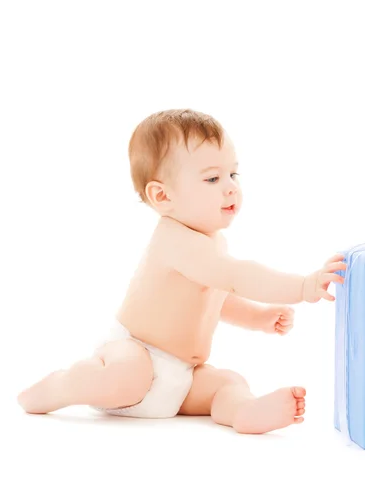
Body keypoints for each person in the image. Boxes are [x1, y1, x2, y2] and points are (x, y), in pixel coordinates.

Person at [17, 108, 346, 434]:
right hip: (134, 352)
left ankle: (243, 410)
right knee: (126, 378)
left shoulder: (212, 245)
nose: (230, 187)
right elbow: (238, 276)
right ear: (162, 196)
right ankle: (60, 386)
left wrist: (257, 318)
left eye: (233, 175)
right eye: (212, 178)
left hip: (182, 375)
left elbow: (216, 298)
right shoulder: (174, 240)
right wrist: (304, 286)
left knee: (227, 382)